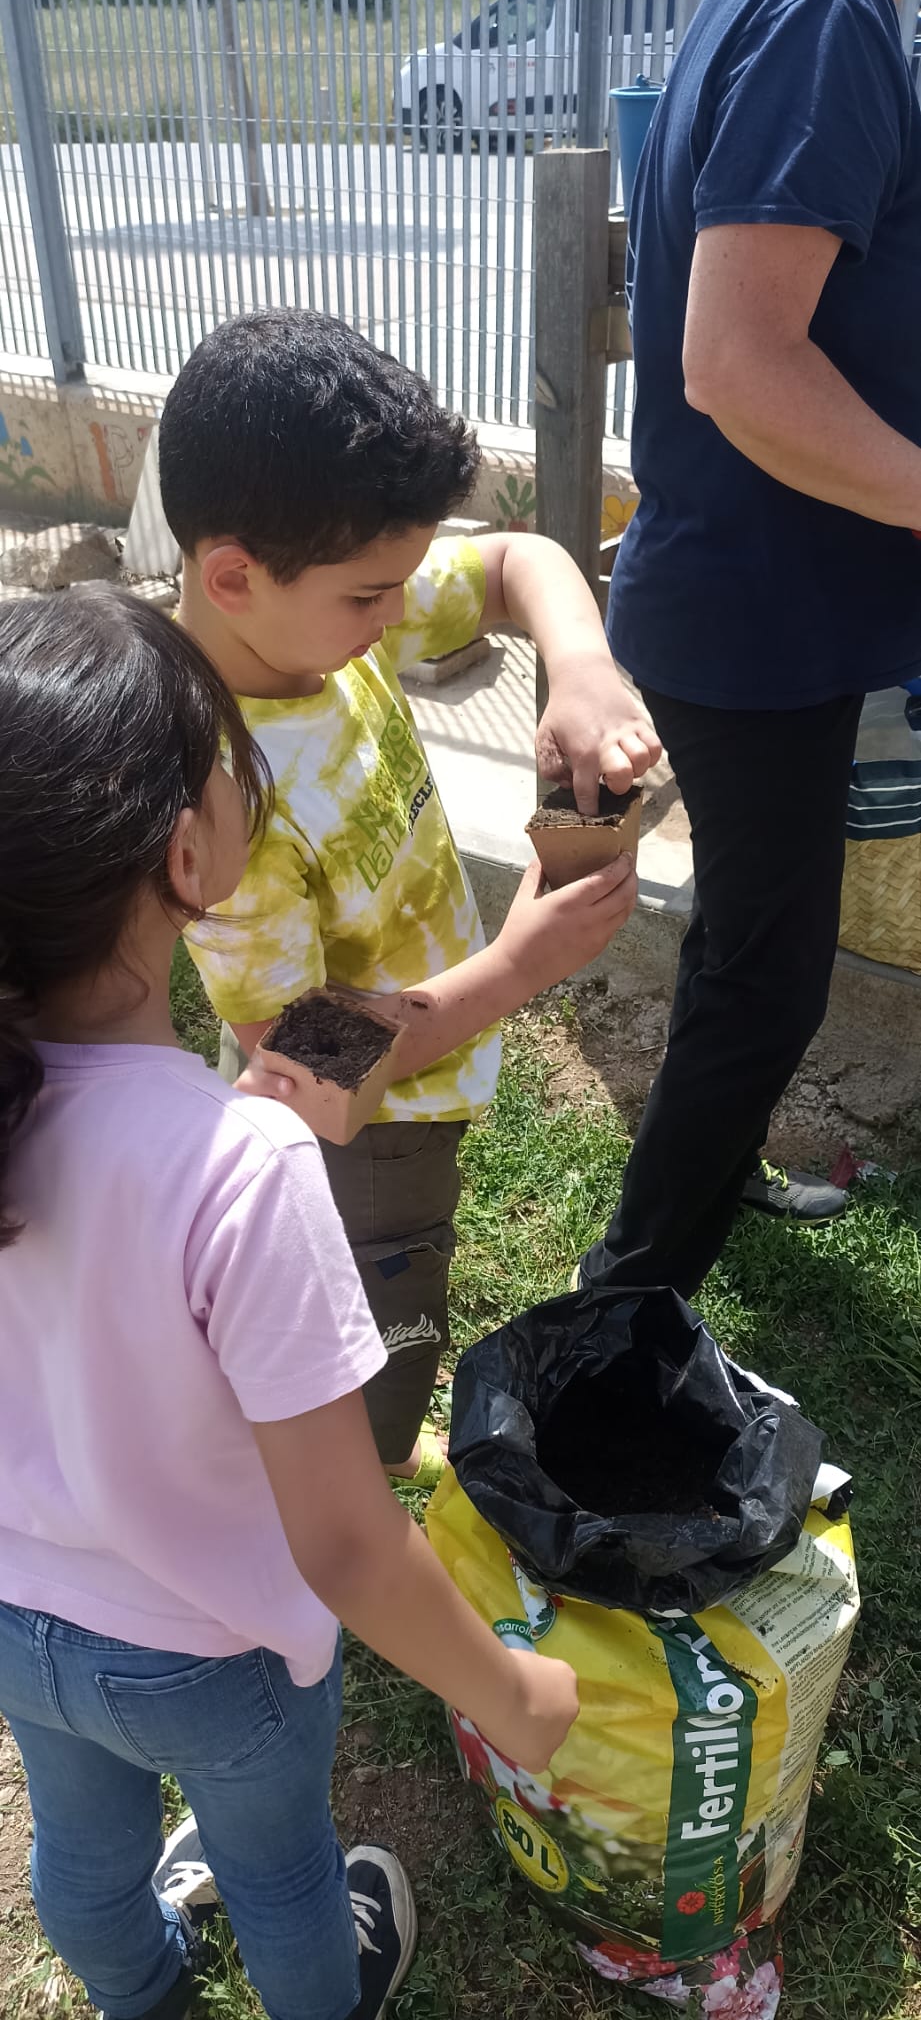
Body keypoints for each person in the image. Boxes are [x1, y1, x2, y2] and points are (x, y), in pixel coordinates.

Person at [0, 588, 580, 2020]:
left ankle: (141, 1996)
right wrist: (510, 1696)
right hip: (214, 1653)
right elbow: (345, 1544)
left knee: (81, 1852)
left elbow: (277, 1067)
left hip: (22, 1622)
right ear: (187, 853)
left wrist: (501, 965)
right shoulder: (239, 1168)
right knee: (281, 1875)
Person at [157, 308, 658, 1486]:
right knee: (376, 1308)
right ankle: (358, 1474)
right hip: (363, 1140)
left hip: (419, 1064)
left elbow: (519, 562)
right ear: (233, 576)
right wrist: (521, 966)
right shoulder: (220, 794)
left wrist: (583, 667)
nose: (400, 616)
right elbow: (302, 1068)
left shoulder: (312, 615)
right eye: (371, 596)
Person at [579, 0, 921, 1301]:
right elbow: (736, 364)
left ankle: (703, 1178)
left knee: (738, 944)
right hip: (758, 618)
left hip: (751, 602)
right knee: (768, 985)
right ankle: (627, 1305)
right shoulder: (826, 13)